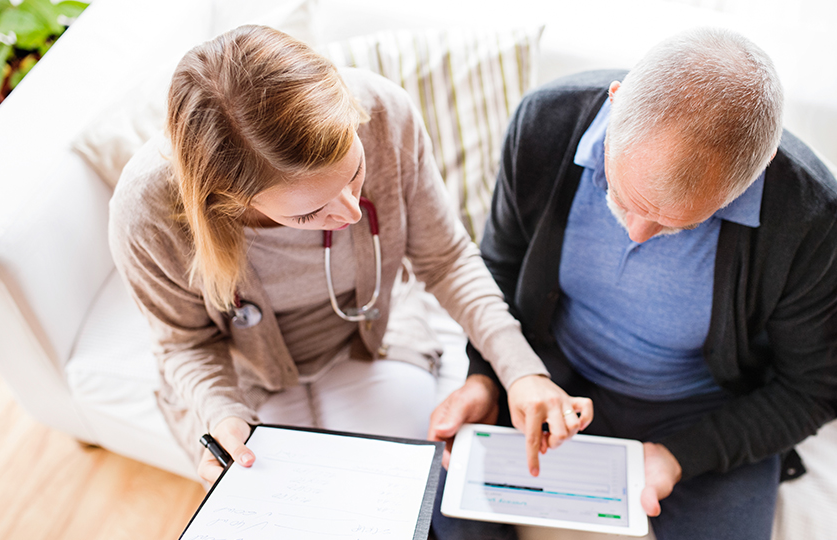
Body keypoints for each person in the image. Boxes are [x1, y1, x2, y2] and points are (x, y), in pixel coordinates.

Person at [107, 25, 593, 490]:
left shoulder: (385, 114)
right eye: (309, 212)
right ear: (230, 200)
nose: (350, 212)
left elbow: (445, 260)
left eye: (355, 172)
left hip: (372, 339)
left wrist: (521, 371)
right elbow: (184, 344)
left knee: (411, 487)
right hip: (244, 377)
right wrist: (222, 415)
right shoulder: (146, 211)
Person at [429, 27, 837, 540]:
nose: (636, 233)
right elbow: (497, 267)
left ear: (756, 171)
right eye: (622, 195)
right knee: (440, 517)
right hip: (547, 375)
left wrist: (680, 457)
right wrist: (486, 376)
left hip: (702, 413)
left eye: (678, 223)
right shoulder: (544, 123)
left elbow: (814, 391)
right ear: (615, 104)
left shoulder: (812, 217)